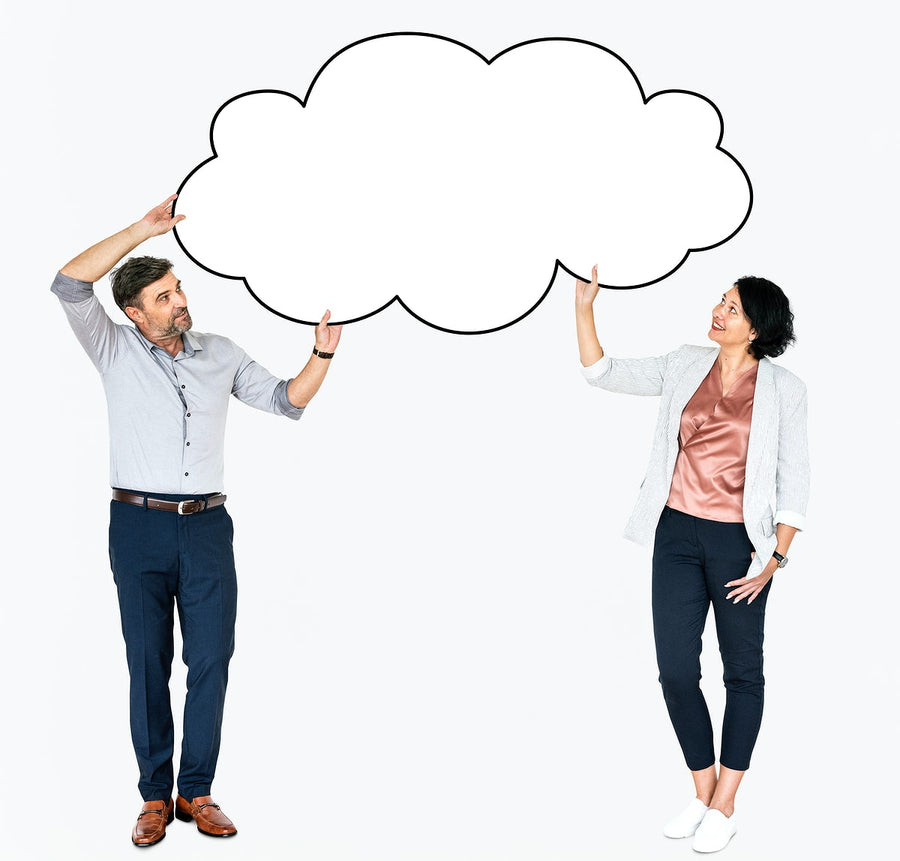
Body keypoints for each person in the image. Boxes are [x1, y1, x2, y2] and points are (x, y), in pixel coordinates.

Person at [52, 194, 342, 847]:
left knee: (211, 656)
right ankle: (154, 796)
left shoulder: (220, 351)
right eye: (163, 296)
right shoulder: (113, 348)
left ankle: (196, 789)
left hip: (207, 527)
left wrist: (320, 356)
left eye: (178, 290)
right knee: (147, 660)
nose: (179, 301)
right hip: (137, 526)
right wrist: (139, 231)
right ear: (134, 311)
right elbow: (69, 281)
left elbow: (283, 401)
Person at [575, 265, 809, 854]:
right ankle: (704, 792)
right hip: (676, 534)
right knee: (677, 672)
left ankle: (726, 804)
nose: (718, 312)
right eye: (720, 302)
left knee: (741, 674)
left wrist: (774, 558)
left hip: (740, 546)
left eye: (731, 308)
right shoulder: (684, 362)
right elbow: (601, 373)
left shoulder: (785, 390)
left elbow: (794, 481)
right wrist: (585, 310)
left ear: (755, 327)